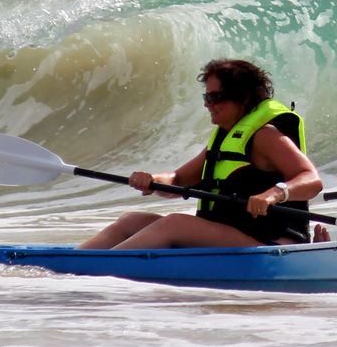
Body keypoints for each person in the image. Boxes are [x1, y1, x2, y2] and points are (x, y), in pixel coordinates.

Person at [78, 59, 322, 249]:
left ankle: (94, 269)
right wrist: (152, 180)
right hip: (231, 234)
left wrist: (273, 194)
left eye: (216, 97)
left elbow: (311, 179)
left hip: (271, 242)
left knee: (175, 224)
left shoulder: (265, 136)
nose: (208, 104)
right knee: (131, 220)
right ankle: (72, 262)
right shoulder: (226, 138)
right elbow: (177, 180)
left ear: (244, 98)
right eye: (207, 97)